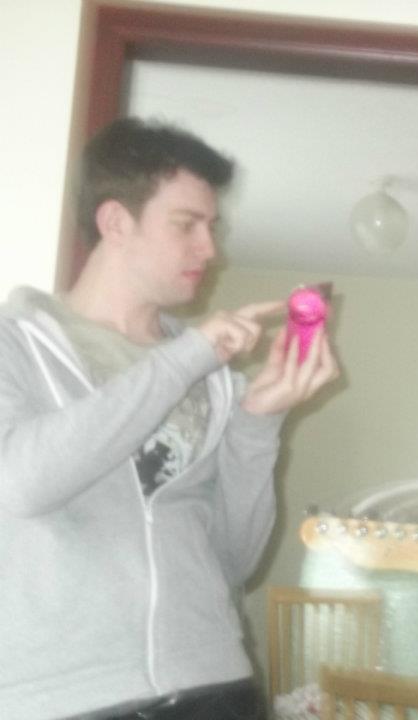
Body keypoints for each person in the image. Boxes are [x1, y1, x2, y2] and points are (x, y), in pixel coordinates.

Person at [0, 117, 339, 720]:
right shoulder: (16, 344)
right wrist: (187, 358)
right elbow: (21, 485)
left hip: (216, 685)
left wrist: (258, 421)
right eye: (187, 224)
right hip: (65, 699)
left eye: (213, 227)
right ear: (115, 222)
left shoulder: (213, 378)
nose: (211, 249)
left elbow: (233, 562)